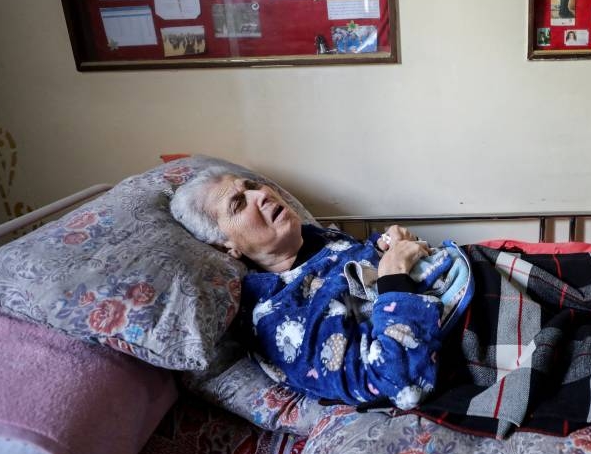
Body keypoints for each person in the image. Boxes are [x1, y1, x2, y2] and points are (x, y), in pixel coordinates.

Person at [171, 168, 471, 411]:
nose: (260, 195)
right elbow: (396, 382)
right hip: (474, 328)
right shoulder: (278, 317)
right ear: (225, 245)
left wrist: (387, 245)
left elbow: (353, 273)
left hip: (477, 269)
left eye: (252, 185)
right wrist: (394, 279)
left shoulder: (317, 239)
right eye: (238, 204)